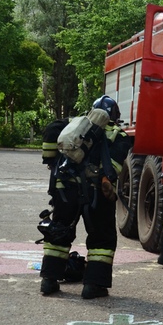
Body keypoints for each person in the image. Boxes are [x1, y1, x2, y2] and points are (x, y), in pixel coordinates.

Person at [38, 95, 132, 298]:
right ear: (114, 115)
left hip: (65, 190)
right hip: (96, 194)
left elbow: (51, 133)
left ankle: (49, 281)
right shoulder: (119, 136)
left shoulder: (72, 125)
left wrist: (51, 161)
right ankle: (93, 286)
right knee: (102, 239)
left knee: (59, 233)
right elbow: (112, 169)